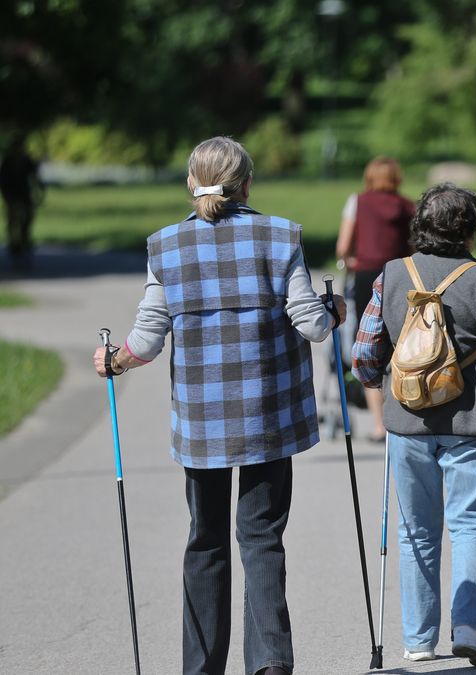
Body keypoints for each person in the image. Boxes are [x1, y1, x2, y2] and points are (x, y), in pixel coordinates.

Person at [91, 136, 346, 675]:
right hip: (270, 418)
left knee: (205, 541)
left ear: (192, 184)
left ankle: (201, 667)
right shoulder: (280, 236)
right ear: (247, 184)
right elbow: (314, 325)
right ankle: (270, 663)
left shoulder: (166, 246)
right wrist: (335, 309)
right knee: (261, 538)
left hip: (202, 423)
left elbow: (148, 338)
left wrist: (115, 361)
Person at [351, 182, 476, 666]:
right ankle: (472, 629)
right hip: (474, 422)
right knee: (471, 525)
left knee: (415, 532)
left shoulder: (391, 275)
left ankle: (418, 639)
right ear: (472, 230)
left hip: (408, 424)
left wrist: (380, 377)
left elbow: (366, 356)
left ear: (419, 228)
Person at [336, 155, 416, 442]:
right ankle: (405, 412)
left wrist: (353, 258)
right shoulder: (408, 207)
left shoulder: (357, 202)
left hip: (367, 276)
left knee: (369, 341)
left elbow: (343, 246)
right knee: (402, 342)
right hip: (401, 276)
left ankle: (378, 424)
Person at [0, 134, 43, 266]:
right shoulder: (8, 161)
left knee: (26, 221)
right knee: (13, 223)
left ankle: (25, 244)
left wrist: (40, 190)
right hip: (12, 195)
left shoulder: (27, 160)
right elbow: (2, 180)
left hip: (25, 195)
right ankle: (15, 247)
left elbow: (35, 177)